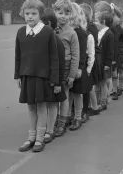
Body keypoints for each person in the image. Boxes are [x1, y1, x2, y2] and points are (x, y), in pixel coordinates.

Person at [14, 0, 59, 153]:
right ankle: (31, 137)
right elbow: (18, 56)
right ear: (23, 14)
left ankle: (40, 137)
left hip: (42, 77)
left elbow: (54, 57)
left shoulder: (47, 32)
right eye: (27, 13)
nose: (30, 16)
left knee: (41, 106)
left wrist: (55, 79)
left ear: (40, 14)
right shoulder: (21, 32)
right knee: (30, 107)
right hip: (27, 76)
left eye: (34, 13)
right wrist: (18, 75)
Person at [53, 0, 80, 137]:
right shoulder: (50, 30)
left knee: (64, 96)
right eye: (60, 12)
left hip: (66, 68)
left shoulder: (72, 33)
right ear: (54, 12)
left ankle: (62, 122)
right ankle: (54, 119)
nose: (63, 16)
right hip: (52, 68)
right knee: (52, 97)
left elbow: (76, 56)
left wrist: (72, 75)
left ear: (71, 15)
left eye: (66, 13)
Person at [41, 8, 67, 144]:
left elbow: (60, 64)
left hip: (53, 80)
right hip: (42, 78)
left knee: (52, 103)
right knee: (43, 103)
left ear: (49, 24)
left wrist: (57, 82)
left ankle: (50, 130)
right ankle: (43, 128)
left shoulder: (56, 42)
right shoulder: (39, 39)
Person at [67, 3, 89, 130]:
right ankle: (68, 115)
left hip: (77, 67)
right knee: (69, 93)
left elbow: (82, 53)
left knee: (76, 93)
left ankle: (78, 117)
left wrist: (80, 68)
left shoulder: (80, 32)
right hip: (67, 66)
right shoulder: (66, 31)